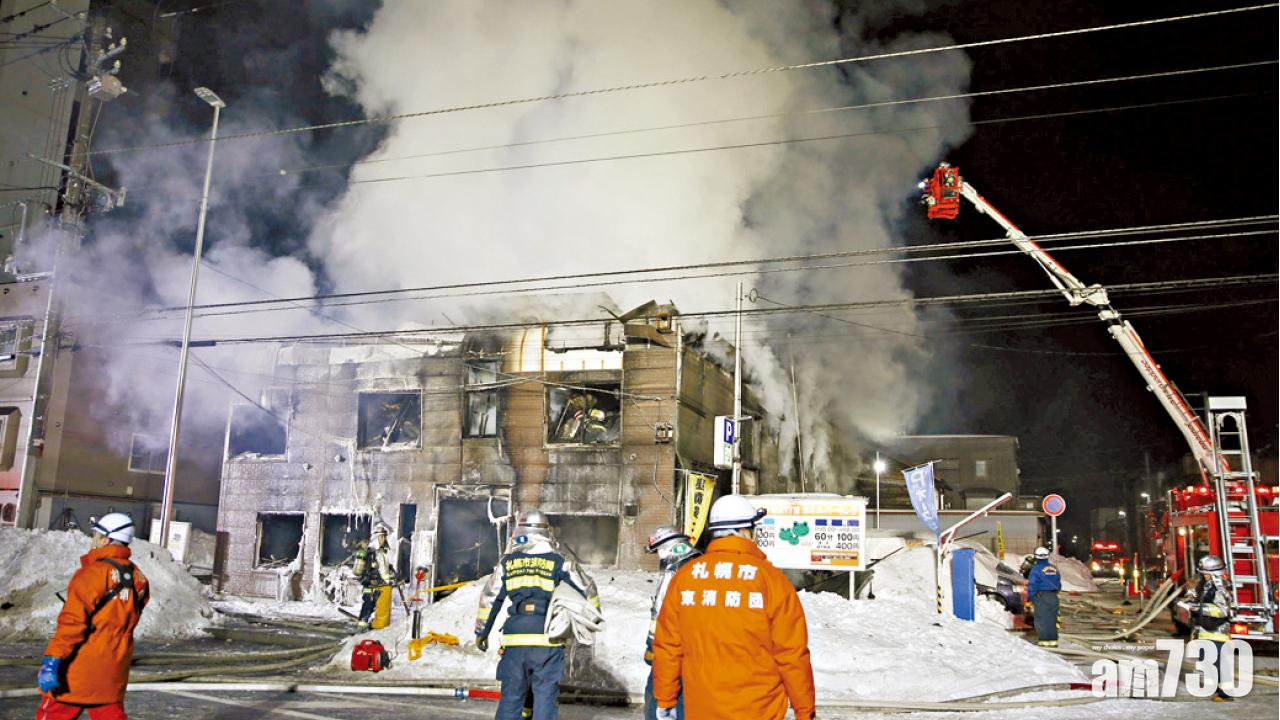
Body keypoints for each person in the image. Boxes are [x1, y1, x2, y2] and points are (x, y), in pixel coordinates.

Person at [652, 495, 815, 720]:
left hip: (701, 710)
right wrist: (805, 711)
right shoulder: (771, 581)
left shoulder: (686, 578)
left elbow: (668, 647)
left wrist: (665, 700)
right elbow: (792, 655)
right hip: (759, 711)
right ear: (744, 531)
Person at [475, 509, 599, 720]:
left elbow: (490, 598)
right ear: (546, 532)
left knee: (511, 697)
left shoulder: (508, 563)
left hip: (515, 642)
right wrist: (590, 620)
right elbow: (588, 591)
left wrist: (481, 632)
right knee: (545, 697)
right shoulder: (560, 562)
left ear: (520, 532)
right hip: (547, 640)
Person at [36, 513, 150, 720]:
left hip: (77, 670)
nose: (93, 539)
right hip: (113, 671)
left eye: (96, 534)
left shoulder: (92, 574)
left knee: (54, 714)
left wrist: (53, 660)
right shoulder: (138, 577)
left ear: (106, 540)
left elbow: (72, 623)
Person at [642, 525, 701, 720]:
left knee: (658, 701)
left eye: (658, 551)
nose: (659, 556)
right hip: (695, 654)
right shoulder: (701, 567)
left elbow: (661, 613)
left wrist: (652, 647)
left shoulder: (673, 572)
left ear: (669, 547)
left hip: (668, 652)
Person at [1189, 554, 1234, 702]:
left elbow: (1223, 610)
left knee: (1219, 664)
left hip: (1217, 632)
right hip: (1205, 631)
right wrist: (1191, 599)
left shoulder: (1220, 588)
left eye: (1206, 574)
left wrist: (1200, 608)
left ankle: (1225, 694)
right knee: (1207, 663)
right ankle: (1215, 689)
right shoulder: (1206, 585)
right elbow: (1199, 596)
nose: (1204, 577)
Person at [352, 523, 395, 630]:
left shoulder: (380, 551)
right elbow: (375, 570)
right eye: (381, 536)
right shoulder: (372, 552)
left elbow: (383, 569)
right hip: (372, 585)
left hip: (377, 584)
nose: (383, 539)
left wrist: (389, 576)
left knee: (371, 605)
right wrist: (385, 580)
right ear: (376, 537)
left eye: (384, 536)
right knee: (369, 605)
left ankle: (369, 624)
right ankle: (362, 627)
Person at [1026, 546, 1061, 648]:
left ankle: (1044, 642)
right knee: (1052, 619)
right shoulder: (1054, 568)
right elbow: (1058, 584)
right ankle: (1053, 641)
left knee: (1042, 619)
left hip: (1042, 596)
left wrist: (1030, 598)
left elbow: (1033, 584)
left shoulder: (1036, 569)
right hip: (1053, 596)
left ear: (1036, 556)